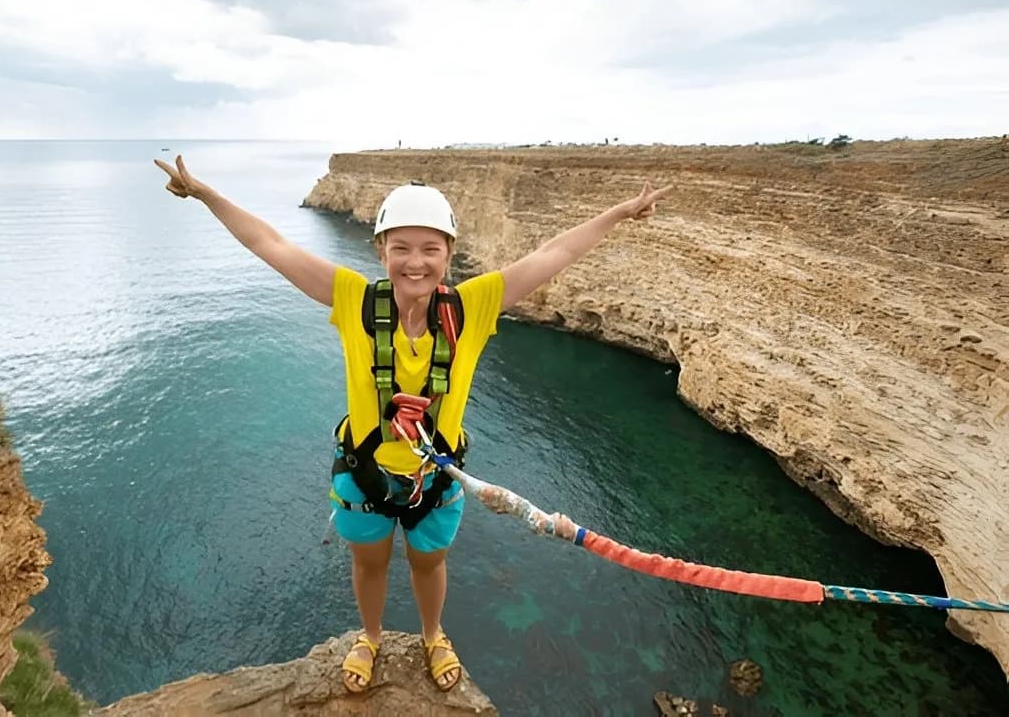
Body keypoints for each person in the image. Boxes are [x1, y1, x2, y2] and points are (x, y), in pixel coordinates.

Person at [154, 155, 670, 693]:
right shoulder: (354, 298)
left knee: (429, 566)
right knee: (369, 566)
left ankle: (432, 634)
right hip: (365, 475)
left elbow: (553, 254)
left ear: (450, 253)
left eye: (430, 249)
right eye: (400, 248)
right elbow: (273, 246)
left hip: (436, 479)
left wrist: (618, 213)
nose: (415, 263)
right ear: (380, 251)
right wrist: (206, 194)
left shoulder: (473, 306)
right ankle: (371, 638)